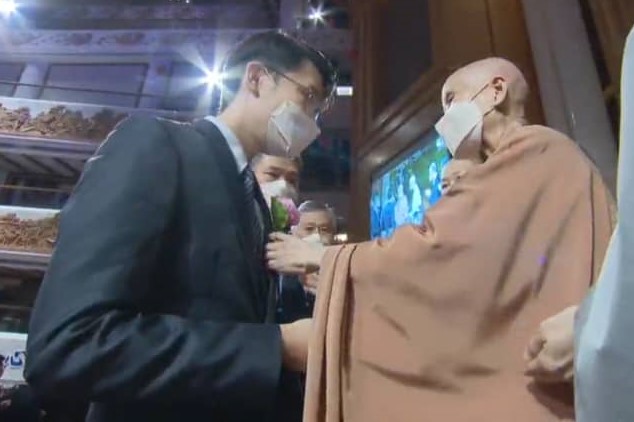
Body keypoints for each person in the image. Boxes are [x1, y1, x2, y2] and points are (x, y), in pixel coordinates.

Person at [267, 57, 615, 421]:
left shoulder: (534, 148)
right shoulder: (530, 159)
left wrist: (327, 259)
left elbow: (440, 248)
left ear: (496, 90)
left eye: (452, 100)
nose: (445, 120)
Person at [24, 30, 337, 422]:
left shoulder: (256, 202)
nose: (311, 124)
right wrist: (276, 347)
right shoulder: (157, 146)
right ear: (257, 79)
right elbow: (70, 344)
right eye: (307, 97)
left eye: (318, 112)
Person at [277, 200, 337, 324]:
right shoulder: (279, 277)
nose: (317, 236)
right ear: (294, 234)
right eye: (309, 229)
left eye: (324, 230)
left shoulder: (341, 275)